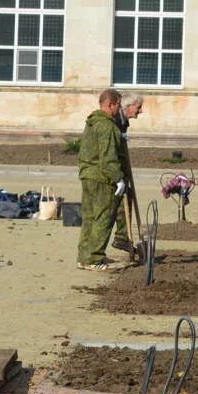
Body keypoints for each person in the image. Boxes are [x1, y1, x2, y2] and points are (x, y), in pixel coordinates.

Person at [76, 90, 130, 272]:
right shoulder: (107, 127)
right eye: (118, 105)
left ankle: (84, 256)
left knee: (90, 218)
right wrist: (119, 179)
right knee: (104, 218)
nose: (119, 109)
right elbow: (108, 158)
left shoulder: (92, 123)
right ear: (111, 104)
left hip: (87, 174)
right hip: (102, 178)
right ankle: (94, 258)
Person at [111, 95, 145, 255]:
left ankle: (123, 237)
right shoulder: (116, 120)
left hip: (119, 166)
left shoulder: (123, 121)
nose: (141, 111)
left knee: (128, 196)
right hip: (111, 168)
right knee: (117, 202)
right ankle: (121, 238)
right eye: (138, 107)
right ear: (128, 106)